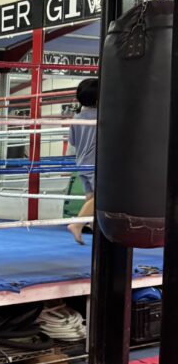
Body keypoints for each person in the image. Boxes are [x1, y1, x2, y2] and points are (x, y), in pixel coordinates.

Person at [67, 78, 98, 244]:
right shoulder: (101, 116)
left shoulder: (76, 117)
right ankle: (77, 225)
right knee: (100, 197)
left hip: (81, 163)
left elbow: (72, 141)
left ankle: (94, 226)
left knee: (91, 198)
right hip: (94, 163)